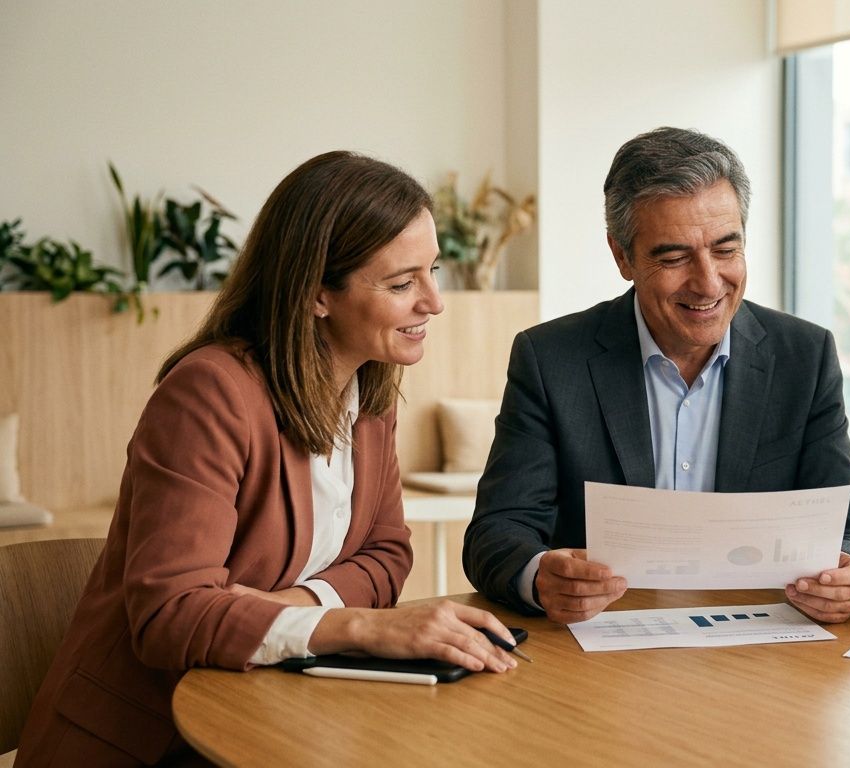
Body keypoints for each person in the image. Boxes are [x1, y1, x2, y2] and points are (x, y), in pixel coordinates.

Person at [18, 151, 519, 766]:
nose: (435, 302)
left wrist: (281, 610)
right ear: (316, 295)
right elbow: (170, 616)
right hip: (150, 738)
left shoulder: (371, 393)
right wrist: (359, 625)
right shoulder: (209, 392)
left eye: (433, 270)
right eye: (401, 283)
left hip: (275, 712)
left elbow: (388, 556)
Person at [463, 127, 850, 625]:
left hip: (757, 650)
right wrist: (539, 575)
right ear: (622, 256)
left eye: (726, 250)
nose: (708, 282)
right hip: (600, 654)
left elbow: (849, 518)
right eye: (675, 257)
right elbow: (498, 530)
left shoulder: (804, 356)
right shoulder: (551, 359)